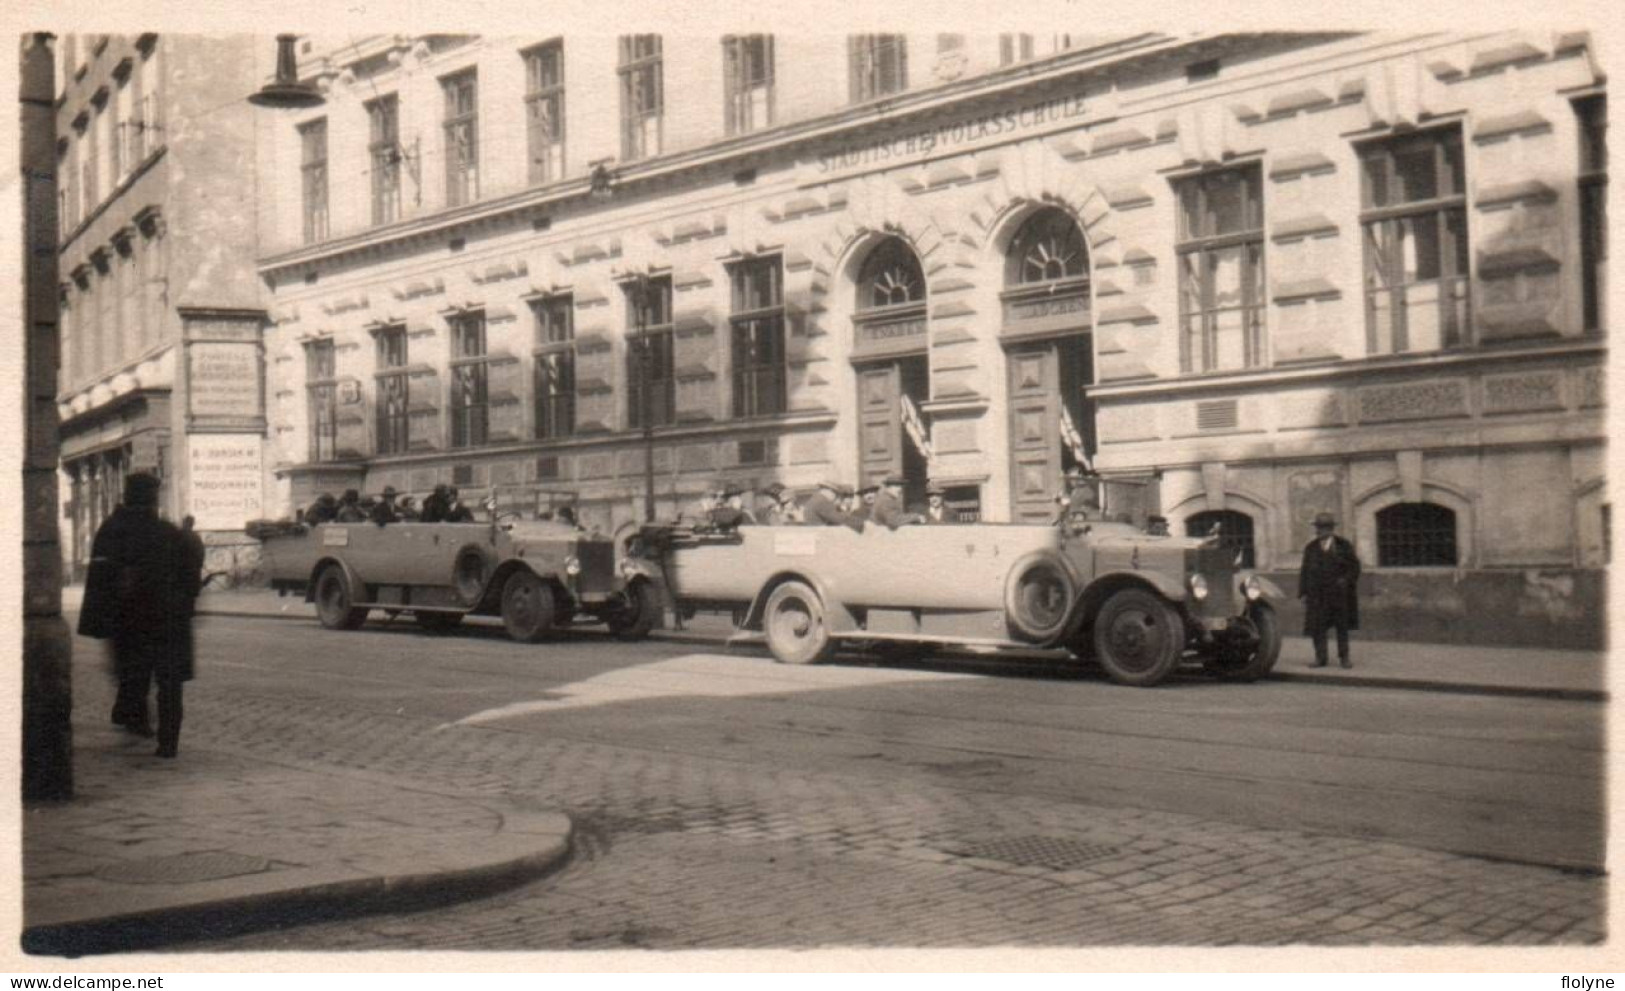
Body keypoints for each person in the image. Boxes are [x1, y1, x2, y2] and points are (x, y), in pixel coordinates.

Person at [78, 473, 198, 758]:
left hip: (130, 622)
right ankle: (167, 742)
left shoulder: (112, 530)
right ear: (154, 498)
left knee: (133, 675)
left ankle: (133, 715)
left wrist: (100, 620)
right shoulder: (170, 534)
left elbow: (100, 579)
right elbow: (190, 579)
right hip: (168, 622)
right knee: (168, 684)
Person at [1299, 512, 1362, 669]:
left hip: (1338, 595)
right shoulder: (1311, 548)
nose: (1320, 531)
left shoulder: (1343, 546)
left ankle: (1344, 657)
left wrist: (1345, 581)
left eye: (1324, 528)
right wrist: (1303, 592)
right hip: (1317, 596)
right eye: (1319, 528)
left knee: (1342, 626)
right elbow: (1304, 571)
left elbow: (1355, 567)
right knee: (1317, 627)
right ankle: (1321, 658)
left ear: (1331, 529)